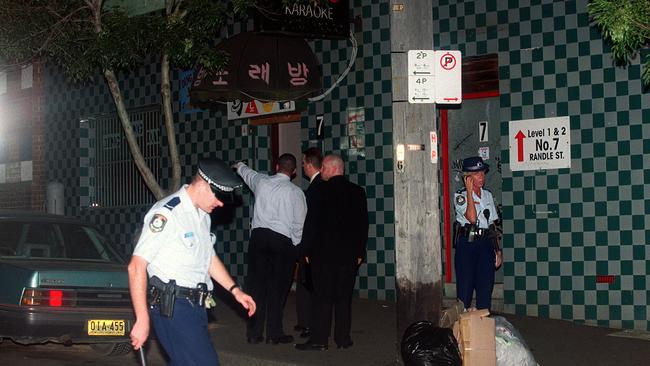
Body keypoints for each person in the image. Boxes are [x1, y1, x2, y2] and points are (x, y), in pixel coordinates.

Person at [128, 158, 256, 365]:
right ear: (203, 186)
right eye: (220, 195)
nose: (221, 203)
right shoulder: (167, 214)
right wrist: (142, 319)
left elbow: (209, 258)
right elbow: (136, 266)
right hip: (174, 307)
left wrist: (235, 290)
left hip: (195, 307)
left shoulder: (203, 215)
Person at [296, 154, 369, 351]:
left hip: (323, 255)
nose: (323, 172)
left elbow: (311, 224)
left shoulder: (319, 191)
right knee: (344, 298)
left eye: (325, 169)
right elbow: (362, 225)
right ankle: (343, 339)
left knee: (322, 297)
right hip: (348, 256)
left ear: (331, 169)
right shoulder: (357, 192)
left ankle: (320, 339)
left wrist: (306, 251)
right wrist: (360, 252)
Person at [234, 154, 307, 345]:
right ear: (294, 172)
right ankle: (274, 333)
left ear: (276, 166)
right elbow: (299, 224)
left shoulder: (262, 182)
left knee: (256, 287)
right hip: (282, 243)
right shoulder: (296, 193)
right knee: (278, 289)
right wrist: (296, 247)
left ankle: (254, 333)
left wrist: (239, 164)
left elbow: (247, 173)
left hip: (258, 240)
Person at [453, 156, 503, 311]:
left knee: (485, 288)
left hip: (485, 245)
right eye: (476, 174)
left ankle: (483, 328)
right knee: (465, 291)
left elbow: (492, 225)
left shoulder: (487, 195)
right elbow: (472, 218)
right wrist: (469, 191)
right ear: (467, 177)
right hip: (467, 245)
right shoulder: (460, 196)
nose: (481, 177)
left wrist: (497, 250)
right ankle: (462, 330)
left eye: (482, 172)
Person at [294, 147, 323, 339]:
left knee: (308, 286)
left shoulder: (315, 189)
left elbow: (311, 221)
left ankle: (310, 324)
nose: (302, 166)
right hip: (318, 245)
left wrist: (304, 247)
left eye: (304, 163)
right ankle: (306, 322)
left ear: (310, 164)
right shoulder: (321, 185)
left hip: (313, 246)